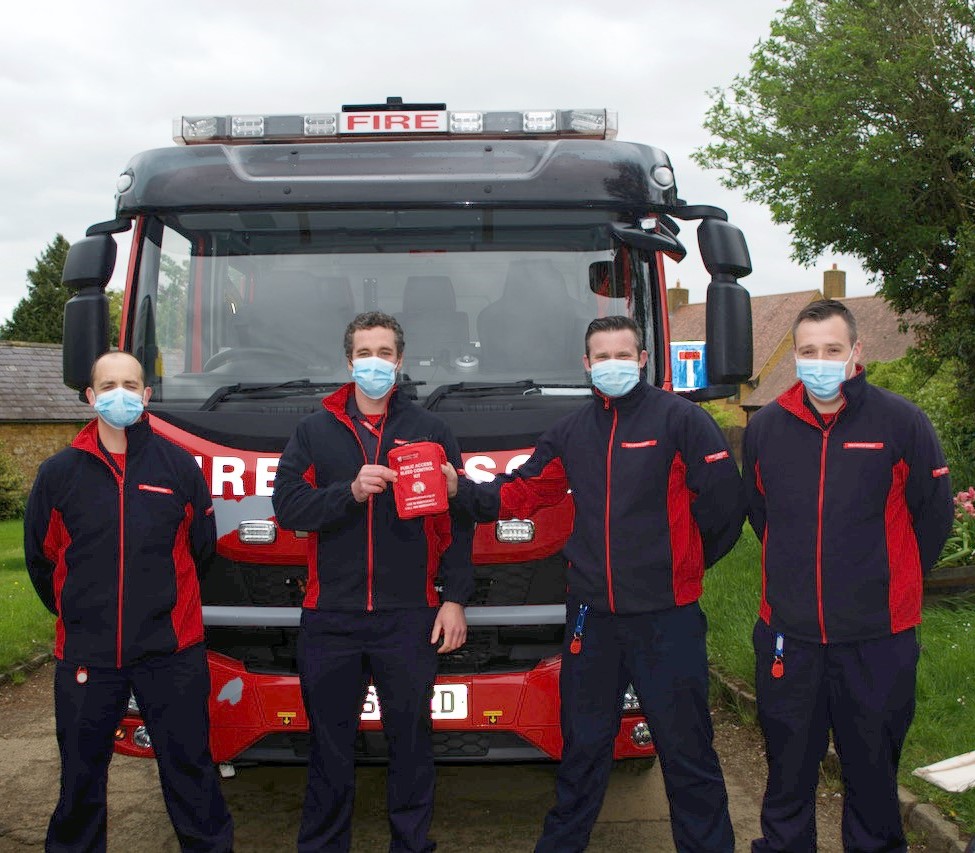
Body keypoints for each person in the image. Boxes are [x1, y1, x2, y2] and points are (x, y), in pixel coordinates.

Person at [446, 315, 744, 853]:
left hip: (666, 617)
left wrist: (684, 568)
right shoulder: (570, 432)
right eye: (601, 357)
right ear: (586, 365)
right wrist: (458, 488)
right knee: (582, 748)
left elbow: (725, 507)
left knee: (687, 751)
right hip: (592, 620)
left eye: (622, 355)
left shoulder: (682, 421)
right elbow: (520, 494)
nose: (612, 365)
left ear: (643, 359)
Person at [742, 299, 954, 852]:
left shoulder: (901, 422)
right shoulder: (765, 428)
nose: (820, 361)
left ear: (856, 352)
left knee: (872, 782)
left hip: (877, 640)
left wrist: (889, 579)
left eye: (832, 350)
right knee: (787, 777)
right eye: (808, 351)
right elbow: (762, 516)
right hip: (790, 640)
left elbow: (932, 516)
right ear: (794, 356)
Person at [272, 311, 474, 853]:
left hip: (408, 617)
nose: (375, 363)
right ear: (349, 361)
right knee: (329, 749)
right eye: (366, 353)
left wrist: (453, 599)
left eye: (385, 353)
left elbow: (458, 523)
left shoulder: (430, 431)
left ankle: (411, 845)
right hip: (330, 618)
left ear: (400, 361)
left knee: (411, 746)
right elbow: (288, 507)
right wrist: (349, 492)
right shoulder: (315, 431)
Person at [24, 351, 234, 853]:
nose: (121, 394)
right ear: (92, 397)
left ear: (146, 395)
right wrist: (80, 614)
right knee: (80, 779)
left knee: (191, 774)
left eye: (131, 384)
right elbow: (42, 559)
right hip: (87, 656)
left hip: (171, 652)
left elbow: (201, 549)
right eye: (108, 385)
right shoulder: (58, 474)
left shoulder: (179, 467)